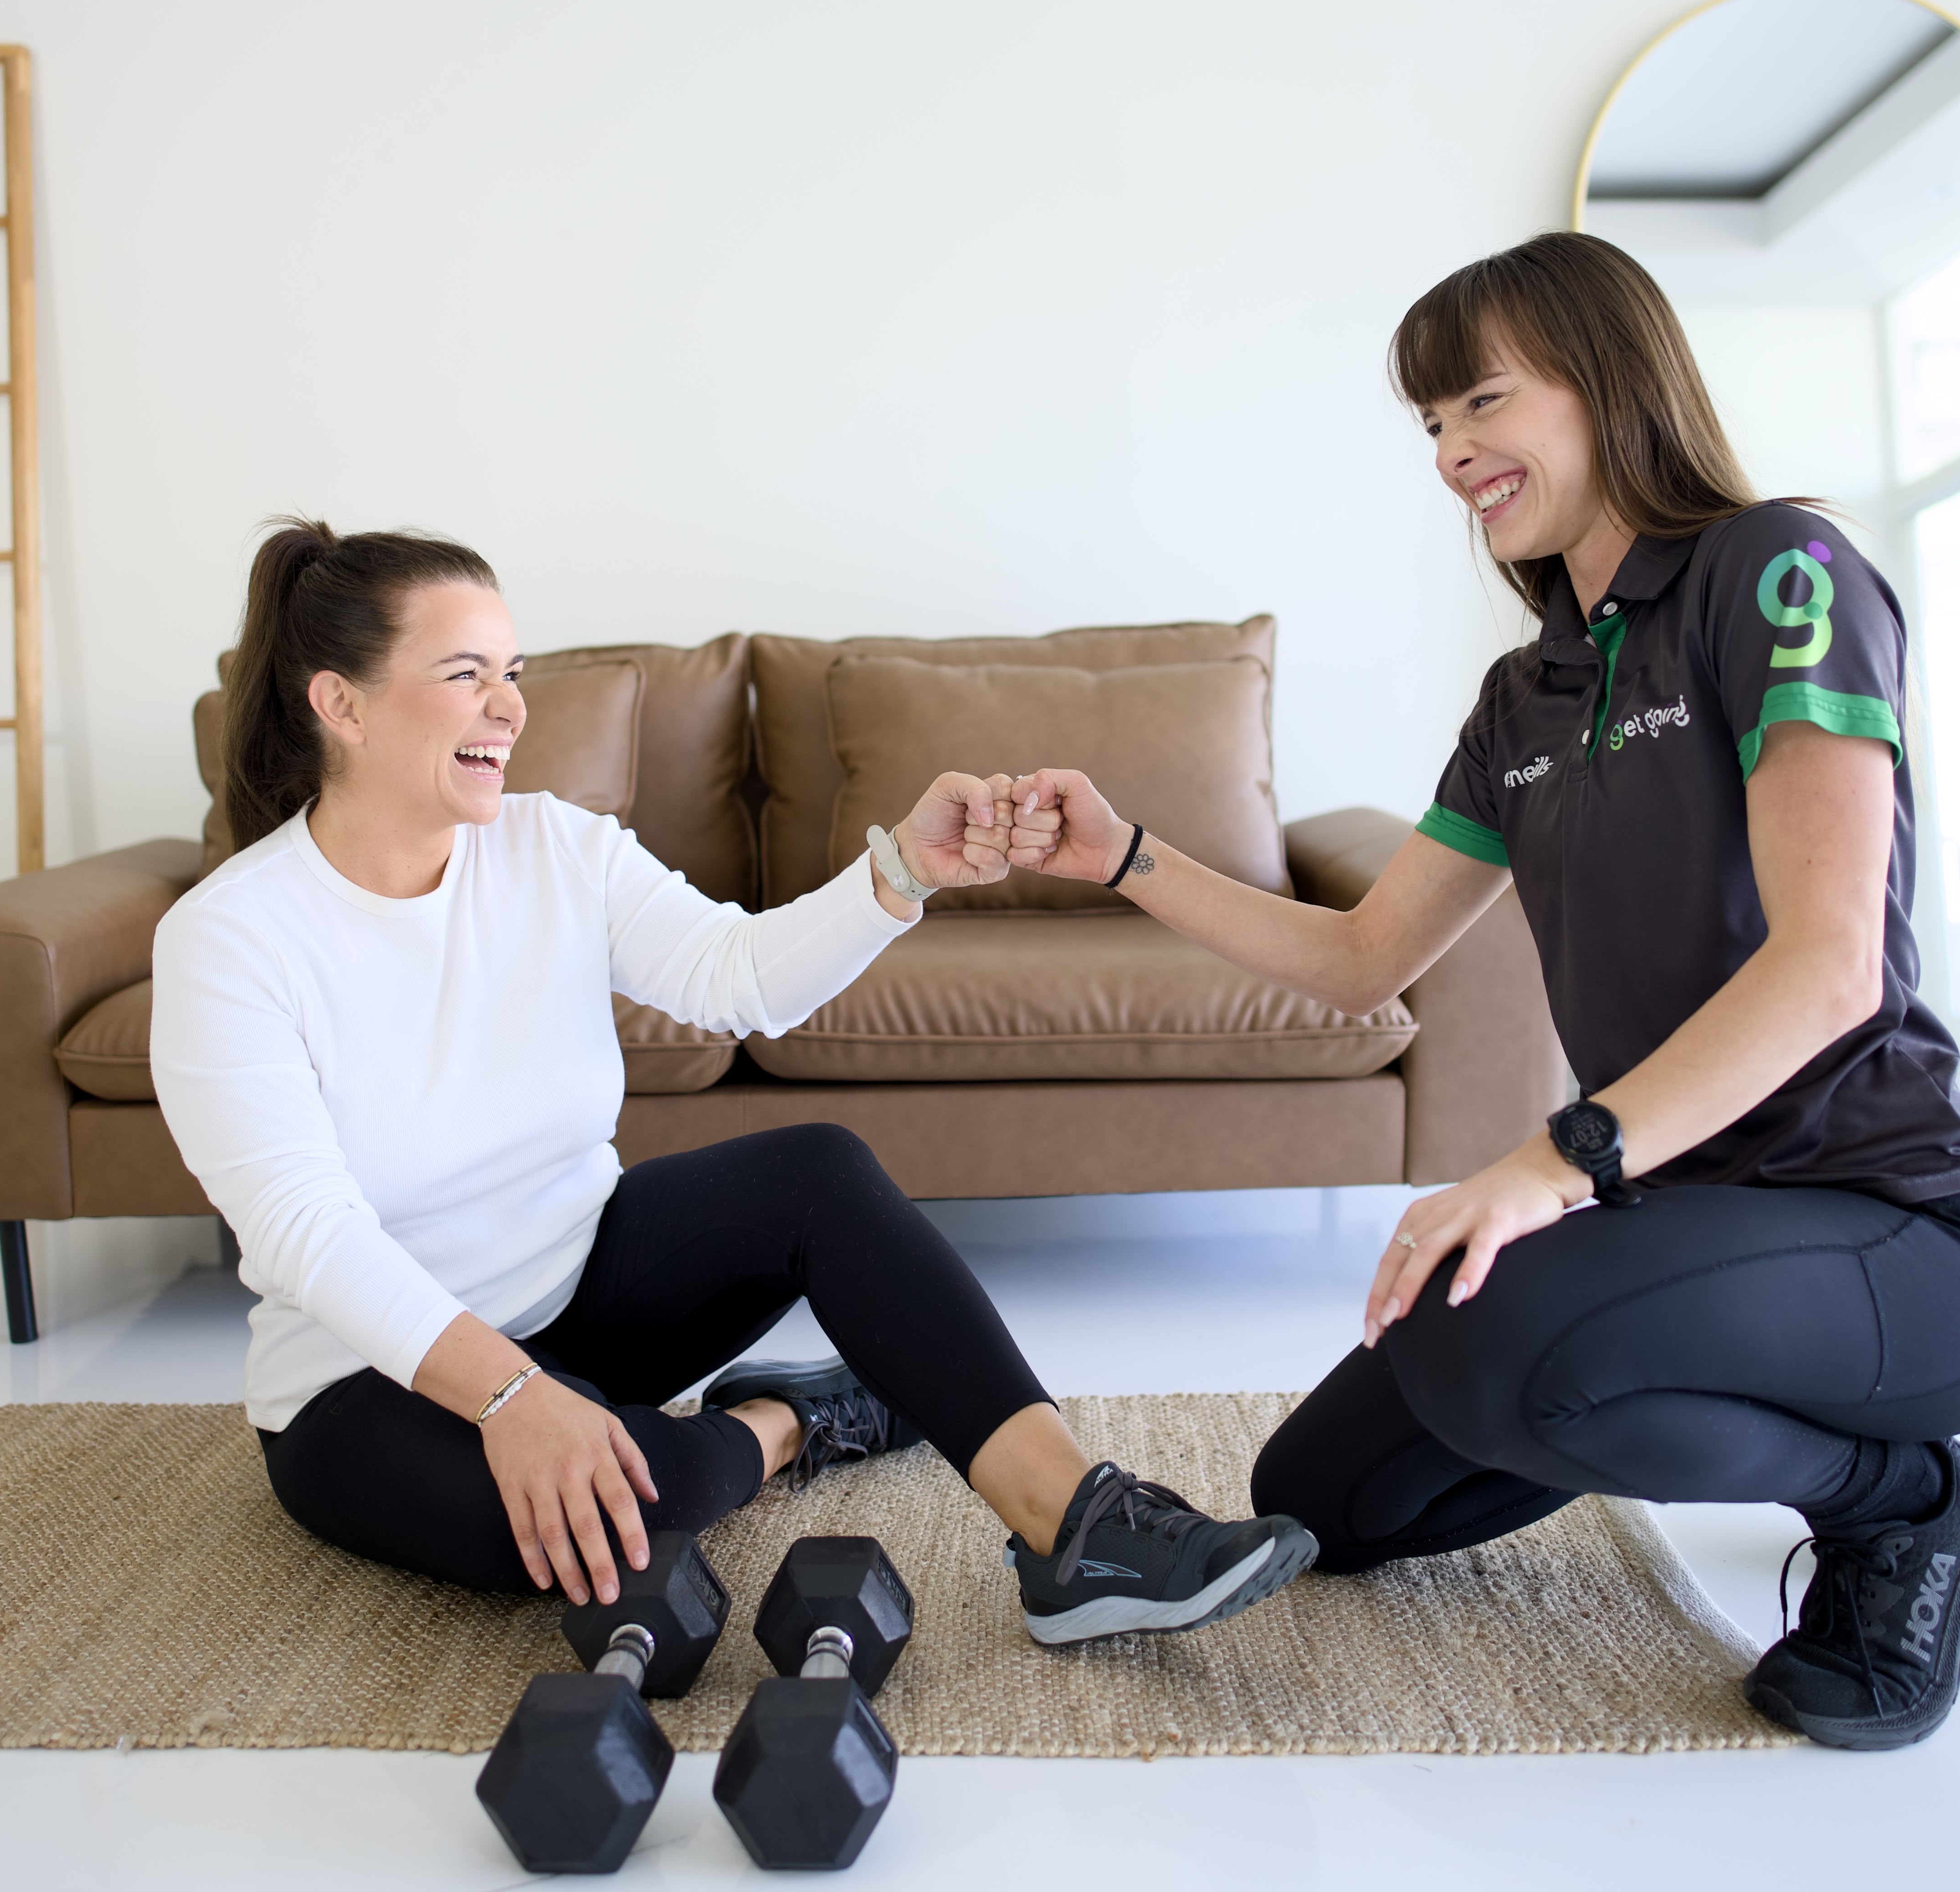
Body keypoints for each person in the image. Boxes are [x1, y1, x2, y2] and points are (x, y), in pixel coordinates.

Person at [997, 232, 1960, 1750]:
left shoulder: (1779, 574)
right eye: (1431, 423)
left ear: (1610, 382)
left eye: (1480, 402)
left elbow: (1829, 968)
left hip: (1905, 1228)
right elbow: (1364, 959)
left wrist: (1552, 1164)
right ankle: (1601, 1363)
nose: (1450, 454)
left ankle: (1915, 1502)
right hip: (1683, 1221)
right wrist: (1124, 858)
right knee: (1322, 1497)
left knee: (1490, 1339)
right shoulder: (1527, 697)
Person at [149, 519, 1317, 1645]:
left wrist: (903, 870)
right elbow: (309, 1233)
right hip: (367, 1377)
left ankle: (1084, 1532)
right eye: (466, 675)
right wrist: (513, 1397)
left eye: (513, 672)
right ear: (341, 703)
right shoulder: (231, 938)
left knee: (819, 1170)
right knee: (619, 1518)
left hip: (580, 1286)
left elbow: (737, 975)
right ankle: (794, 1417)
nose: (509, 706)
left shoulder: (553, 845)